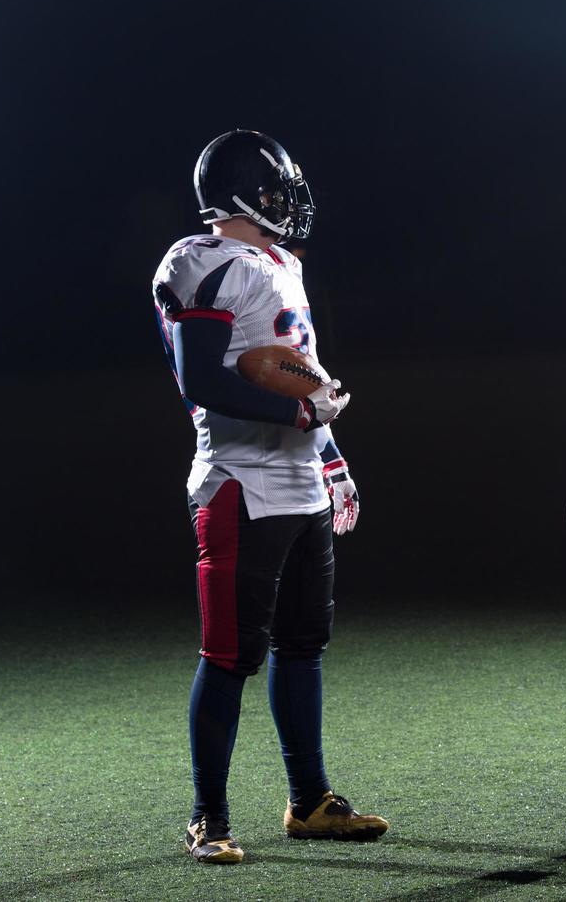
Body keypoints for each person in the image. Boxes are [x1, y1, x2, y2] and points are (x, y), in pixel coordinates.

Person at [152, 129, 384, 864]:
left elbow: (296, 372)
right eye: (277, 191)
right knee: (230, 655)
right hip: (237, 483)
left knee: (303, 645)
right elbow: (203, 379)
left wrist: (331, 456)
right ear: (243, 195)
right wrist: (298, 414)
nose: (290, 204)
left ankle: (309, 800)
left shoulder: (279, 263)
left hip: (296, 480)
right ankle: (207, 817)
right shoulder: (200, 260)